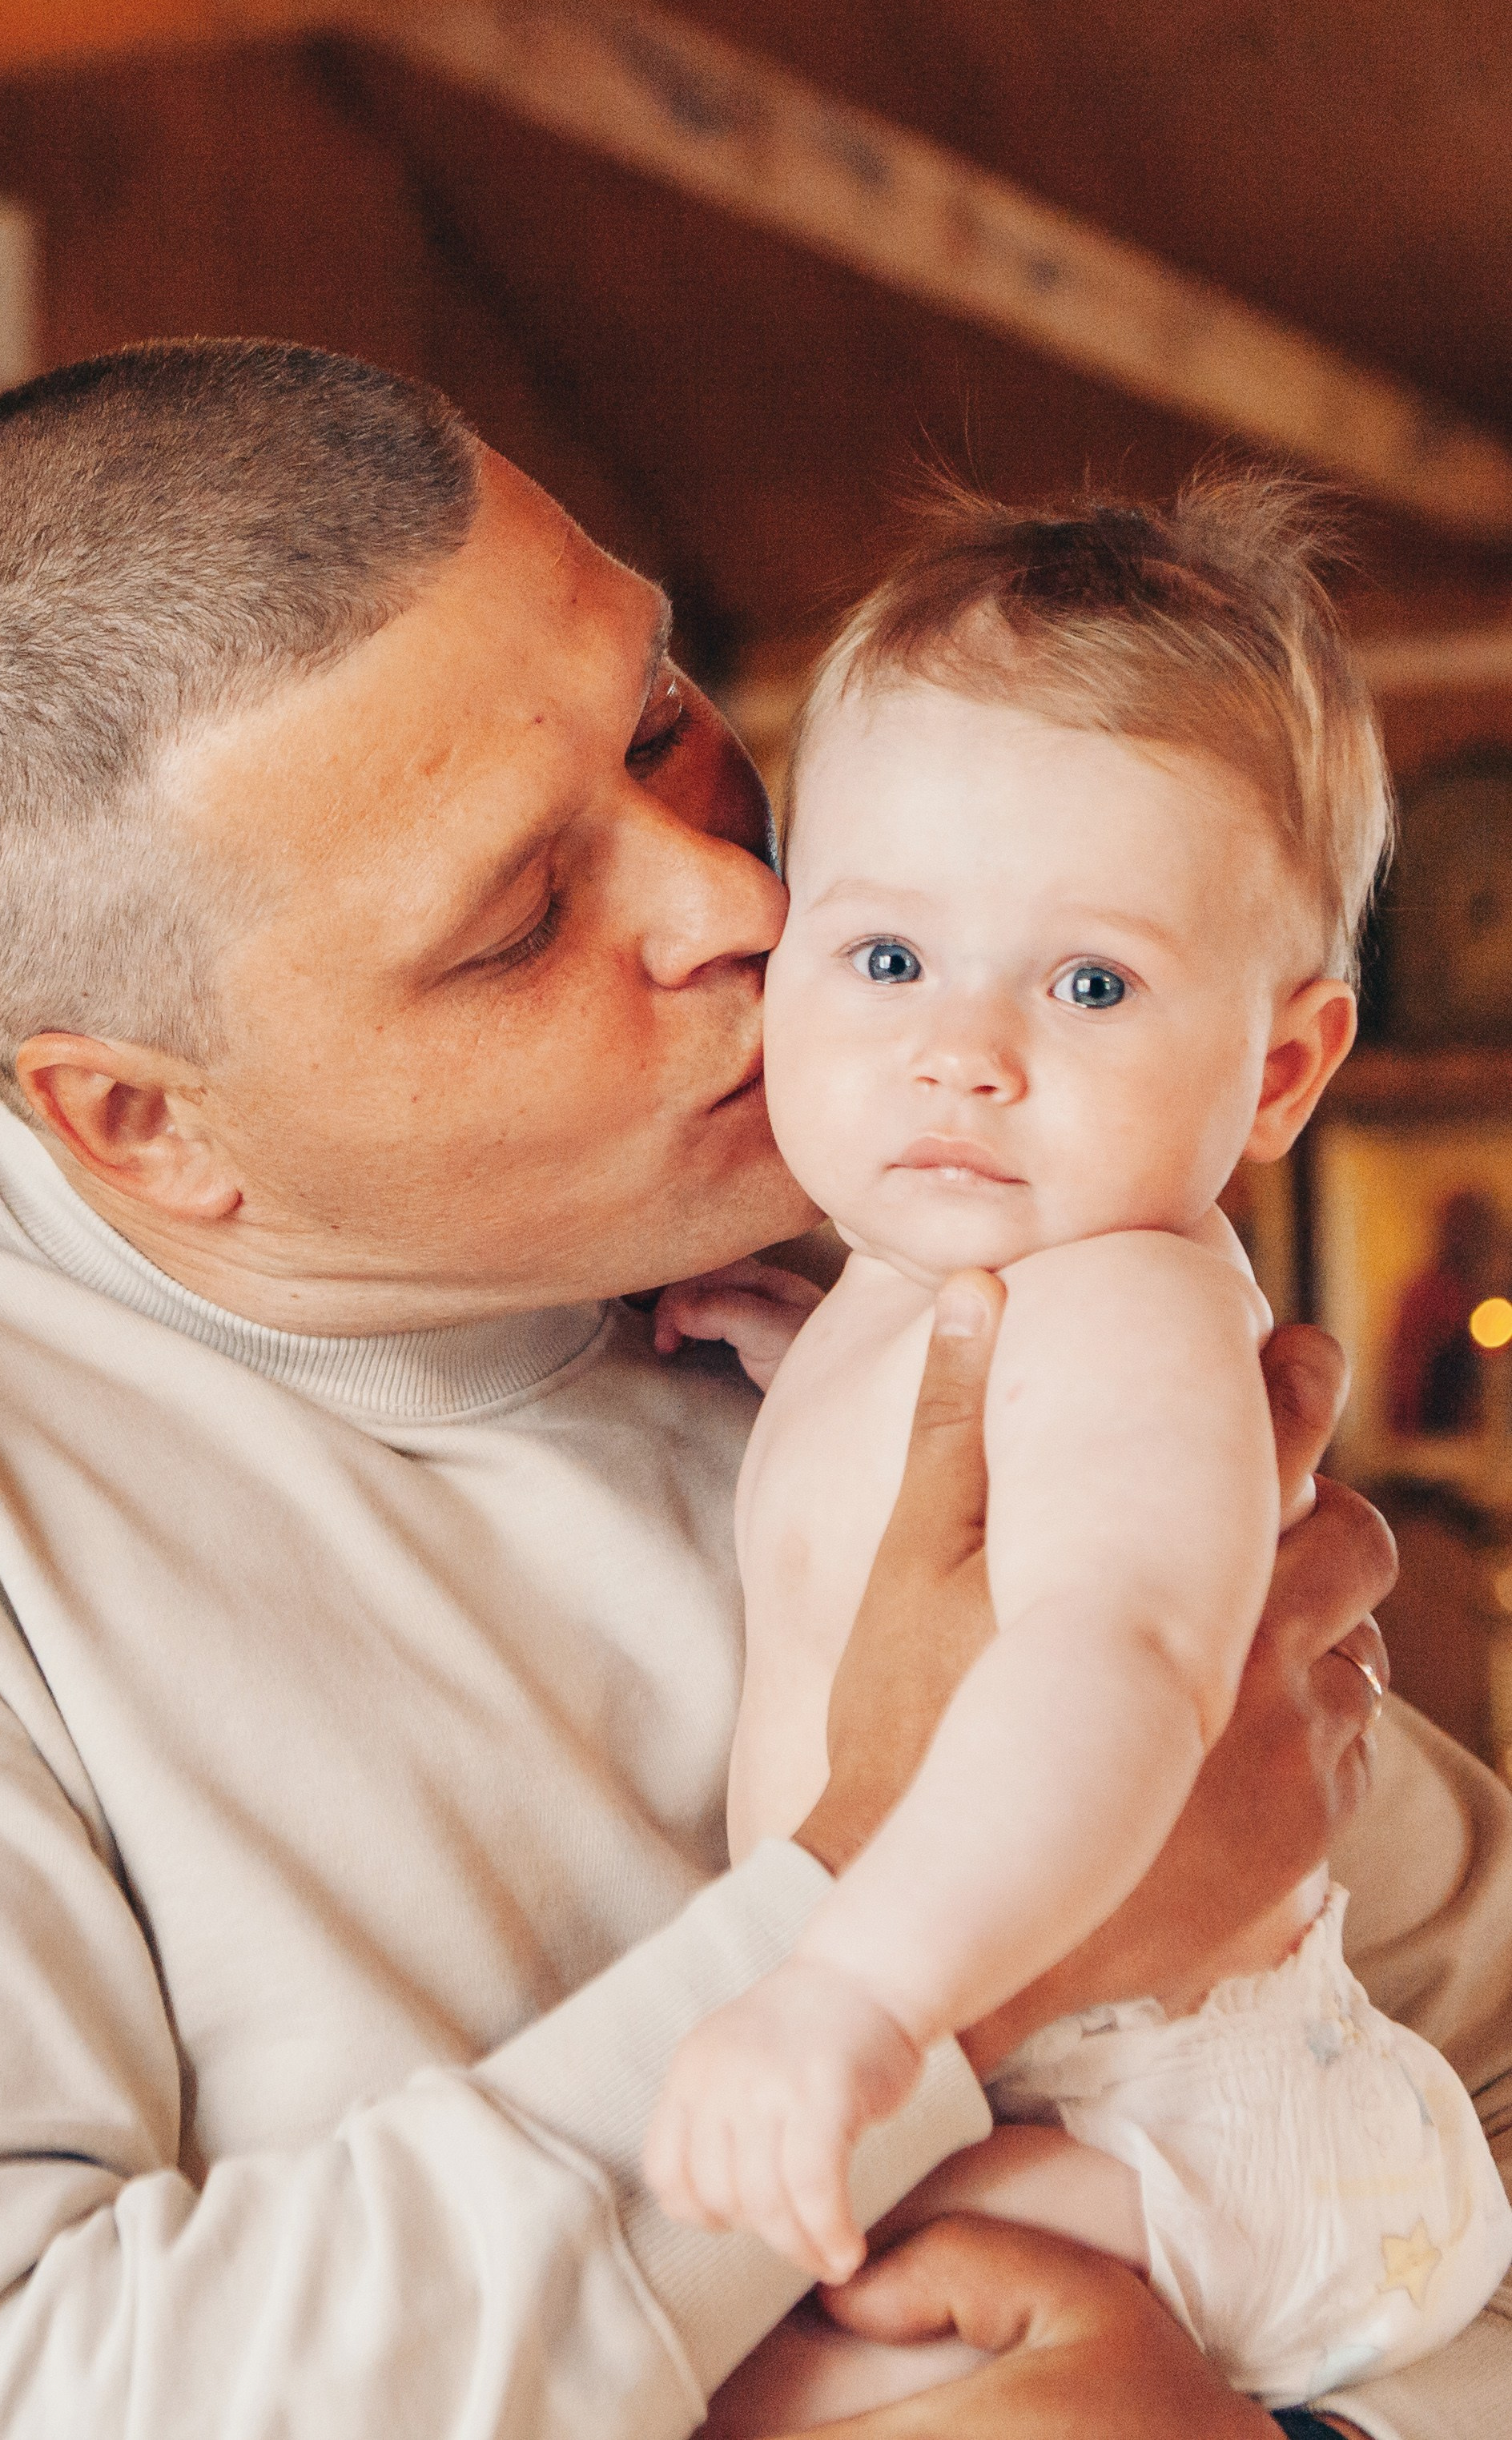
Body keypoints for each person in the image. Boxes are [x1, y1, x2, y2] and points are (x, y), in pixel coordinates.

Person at [0, 340, 1498, 2440]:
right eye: (522, 917)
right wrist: (910, 1934)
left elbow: (1457, 2081)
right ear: (144, 1121)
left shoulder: (936, 1252)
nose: (747, 905)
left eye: (666, 726)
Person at [643, 484, 1512, 2413]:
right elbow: (955, 1499)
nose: (965, 1049)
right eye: (884, 960)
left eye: (1089, 984)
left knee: (768, 2365)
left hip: (1180, 2135)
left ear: (1278, 1069)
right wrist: (798, 1351)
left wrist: (849, 1989)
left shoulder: (1128, 1308)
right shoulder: (939, 1274)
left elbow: (1111, 1659)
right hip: (1084, 2102)